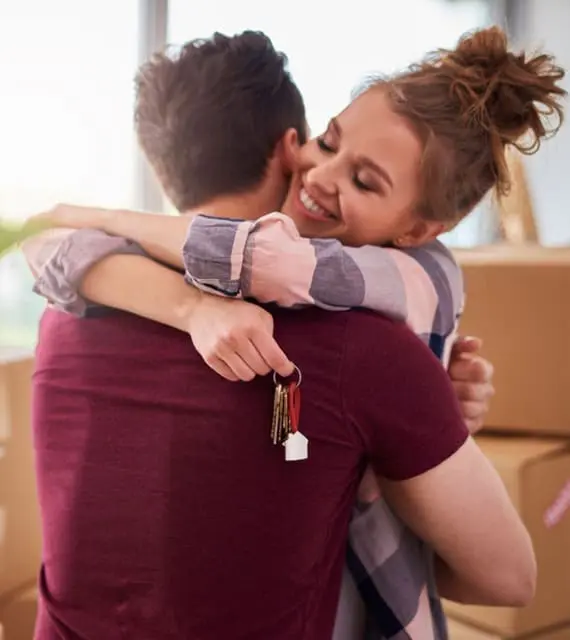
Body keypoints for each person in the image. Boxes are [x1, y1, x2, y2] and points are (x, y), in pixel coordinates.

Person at [24, 29, 543, 639]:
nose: (322, 177)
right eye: (327, 143)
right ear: (290, 147)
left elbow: (53, 245)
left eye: (365, 180)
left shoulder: (66, 310)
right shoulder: (371, 352)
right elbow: (508, 579)